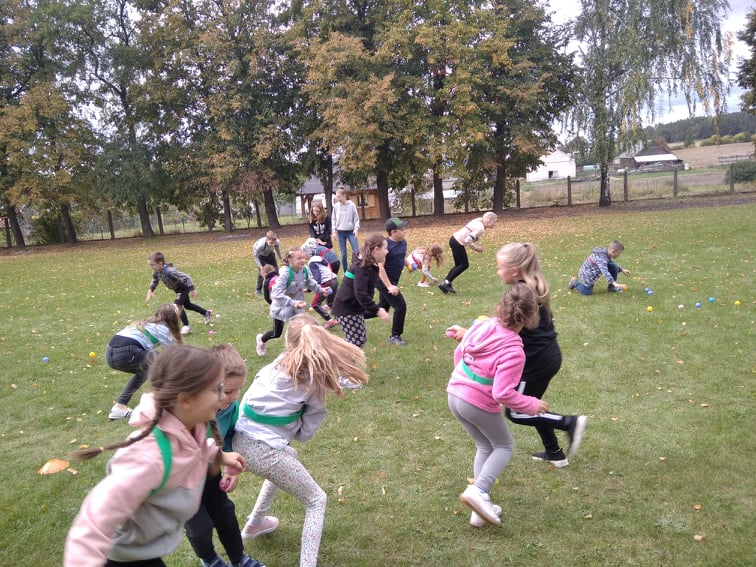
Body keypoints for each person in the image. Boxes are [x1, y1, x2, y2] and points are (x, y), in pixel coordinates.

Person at [64, 345, 247, 567]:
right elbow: (94, 520)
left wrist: (221, 456)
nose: (225, 397)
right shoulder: (148, 458)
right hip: (122, 556)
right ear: (186, 400)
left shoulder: (188, 425)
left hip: (146, 547)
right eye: (218, 389)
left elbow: (195, 446)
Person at [233, 315, 368, 567]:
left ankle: (255, 523)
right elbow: (304, 435)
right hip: (263, 452)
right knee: (316, 501)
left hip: (238, 441)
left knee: (289, 459)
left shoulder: (272, 366)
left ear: (287, 342)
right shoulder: (314, 384)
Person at [446, 283, 547, 527]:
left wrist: (462, 380)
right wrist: (531, 405)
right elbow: (502, 393)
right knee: (504, 446)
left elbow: (460, 352)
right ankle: (479, 490)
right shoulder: (514, 350)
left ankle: (479, 509)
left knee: (484, 446)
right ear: (530, 318)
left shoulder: (482, 325)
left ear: (501, 307)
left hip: (455, 394)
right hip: (476, 402)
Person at [496, 242, 587, 467]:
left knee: (516, 412)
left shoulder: (519, 294)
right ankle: (554, 452)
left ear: (514, 271)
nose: (498, 272)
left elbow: (507, 328)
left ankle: (568, 423)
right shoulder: (531, 285)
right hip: (548, 356)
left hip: (535, 362)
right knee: (532, 404)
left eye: (500, 267)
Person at [185, 344, 266, 567]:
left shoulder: (230, 407)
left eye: (238, 389)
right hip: (181, 481)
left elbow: (229, 435)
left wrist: (231, 467)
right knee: (200, 528)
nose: (235, 396)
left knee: (225, 514)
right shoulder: (188, 410)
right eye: (229, 391)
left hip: (210, 472)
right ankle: (210, 560)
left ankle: (239, 559)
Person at [106, 304, 184, 421]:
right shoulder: (164, 330)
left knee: (145, 371)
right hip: (126, 353)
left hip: (110, 354)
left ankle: (119, 407)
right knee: (164, 364)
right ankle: (168, 401)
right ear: (173, 318)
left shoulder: (145, 323)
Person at [256, 247, 332, 357]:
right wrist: (292, 303)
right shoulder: (285, 273)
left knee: (300, 330)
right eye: (299, 258)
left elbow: (310, 282)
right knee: (276, 333)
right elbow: (276, 294)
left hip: (298, 307)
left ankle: (296, 354)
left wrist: (321, 290)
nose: (303, 260)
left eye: (303, 257)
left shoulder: (304, 269)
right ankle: (261, 340)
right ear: (290, 260)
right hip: (282, 307)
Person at [331, 233, 391, 360]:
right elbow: (360, 293)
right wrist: (377, 310)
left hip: (354, 308)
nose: (387, 252)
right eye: (385, 248)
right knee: (356, 341)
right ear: (376, 249)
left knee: (359, 339)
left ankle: (339, 362)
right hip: (346, 308)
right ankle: (339, 364)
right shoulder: (362, 267)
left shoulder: (367, 263)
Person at [147, 251, 213, 335]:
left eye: (152, 265)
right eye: (150, 265)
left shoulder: (170, 271)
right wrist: (150, 290)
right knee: (188, 305)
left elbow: (186, 277)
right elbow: (155, 281)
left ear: (160, 263)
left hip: (184, 287)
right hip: (177, 289)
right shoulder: (156, 272)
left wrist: (192, 289)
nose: (151, 267)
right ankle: (206, 313)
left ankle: (186, 326)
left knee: (177, 306)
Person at [439, 212, 498, 294]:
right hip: (458, 242)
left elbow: (470, 236)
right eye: (494, 222)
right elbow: (467, 240)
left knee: (458, 265)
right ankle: (446, 283)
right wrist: (476, 248)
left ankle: (446, 283)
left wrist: (475, 240)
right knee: (464, 265)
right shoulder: (481, 228)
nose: (495, 224)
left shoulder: (478, 221)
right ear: (488, 220)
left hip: (453, 239)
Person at [376, 217, 410, 346]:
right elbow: (380, 267)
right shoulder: (385, 246)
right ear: (393, 232)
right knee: (400, 306)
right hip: (383, 281)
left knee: (382, 308)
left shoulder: (403, 242)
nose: (405, 231)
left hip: (392, 281)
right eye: (402, 229)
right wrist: (389, 286)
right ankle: (395, 336)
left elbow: (402, 256)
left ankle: (352, 314)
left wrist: (409, 264)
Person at [301, 240, 339, 329]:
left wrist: (313, 288)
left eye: (303, 253)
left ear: (308, 251)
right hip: (334, 280)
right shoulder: (320, 258)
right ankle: (341, 319)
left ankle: (330, 321)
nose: (302, 256)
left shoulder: (311, 262)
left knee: (315, 304)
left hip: (327, 283)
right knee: (331, 303)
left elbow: (317, 278)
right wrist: (309, 290)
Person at [330, 187, 360, 270]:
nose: (338, 199)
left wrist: (356, 229)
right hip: (341, 232)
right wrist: (334, 231)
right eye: (337, 197)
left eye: (339, 197)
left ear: (344, 195)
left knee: (356, 252)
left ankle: (357, 269)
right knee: (343, 254)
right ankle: (345, 271)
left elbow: (356, 219)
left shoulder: (352, 205)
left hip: (351, 232)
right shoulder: (336, 207)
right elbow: (333, 219)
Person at [253, 231, 284, 295]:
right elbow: (256, 256)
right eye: (271, 242)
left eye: (274, 242)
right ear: (267, 240)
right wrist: (261, 266)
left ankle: (276, 287)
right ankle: (258, 289)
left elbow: (278, 249)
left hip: (270, 253)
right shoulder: (261, 245)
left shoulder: (277, 242)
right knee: (262, 272)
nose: (273, 244)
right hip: (261, 256)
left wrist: (281, 258)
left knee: (276, 270)